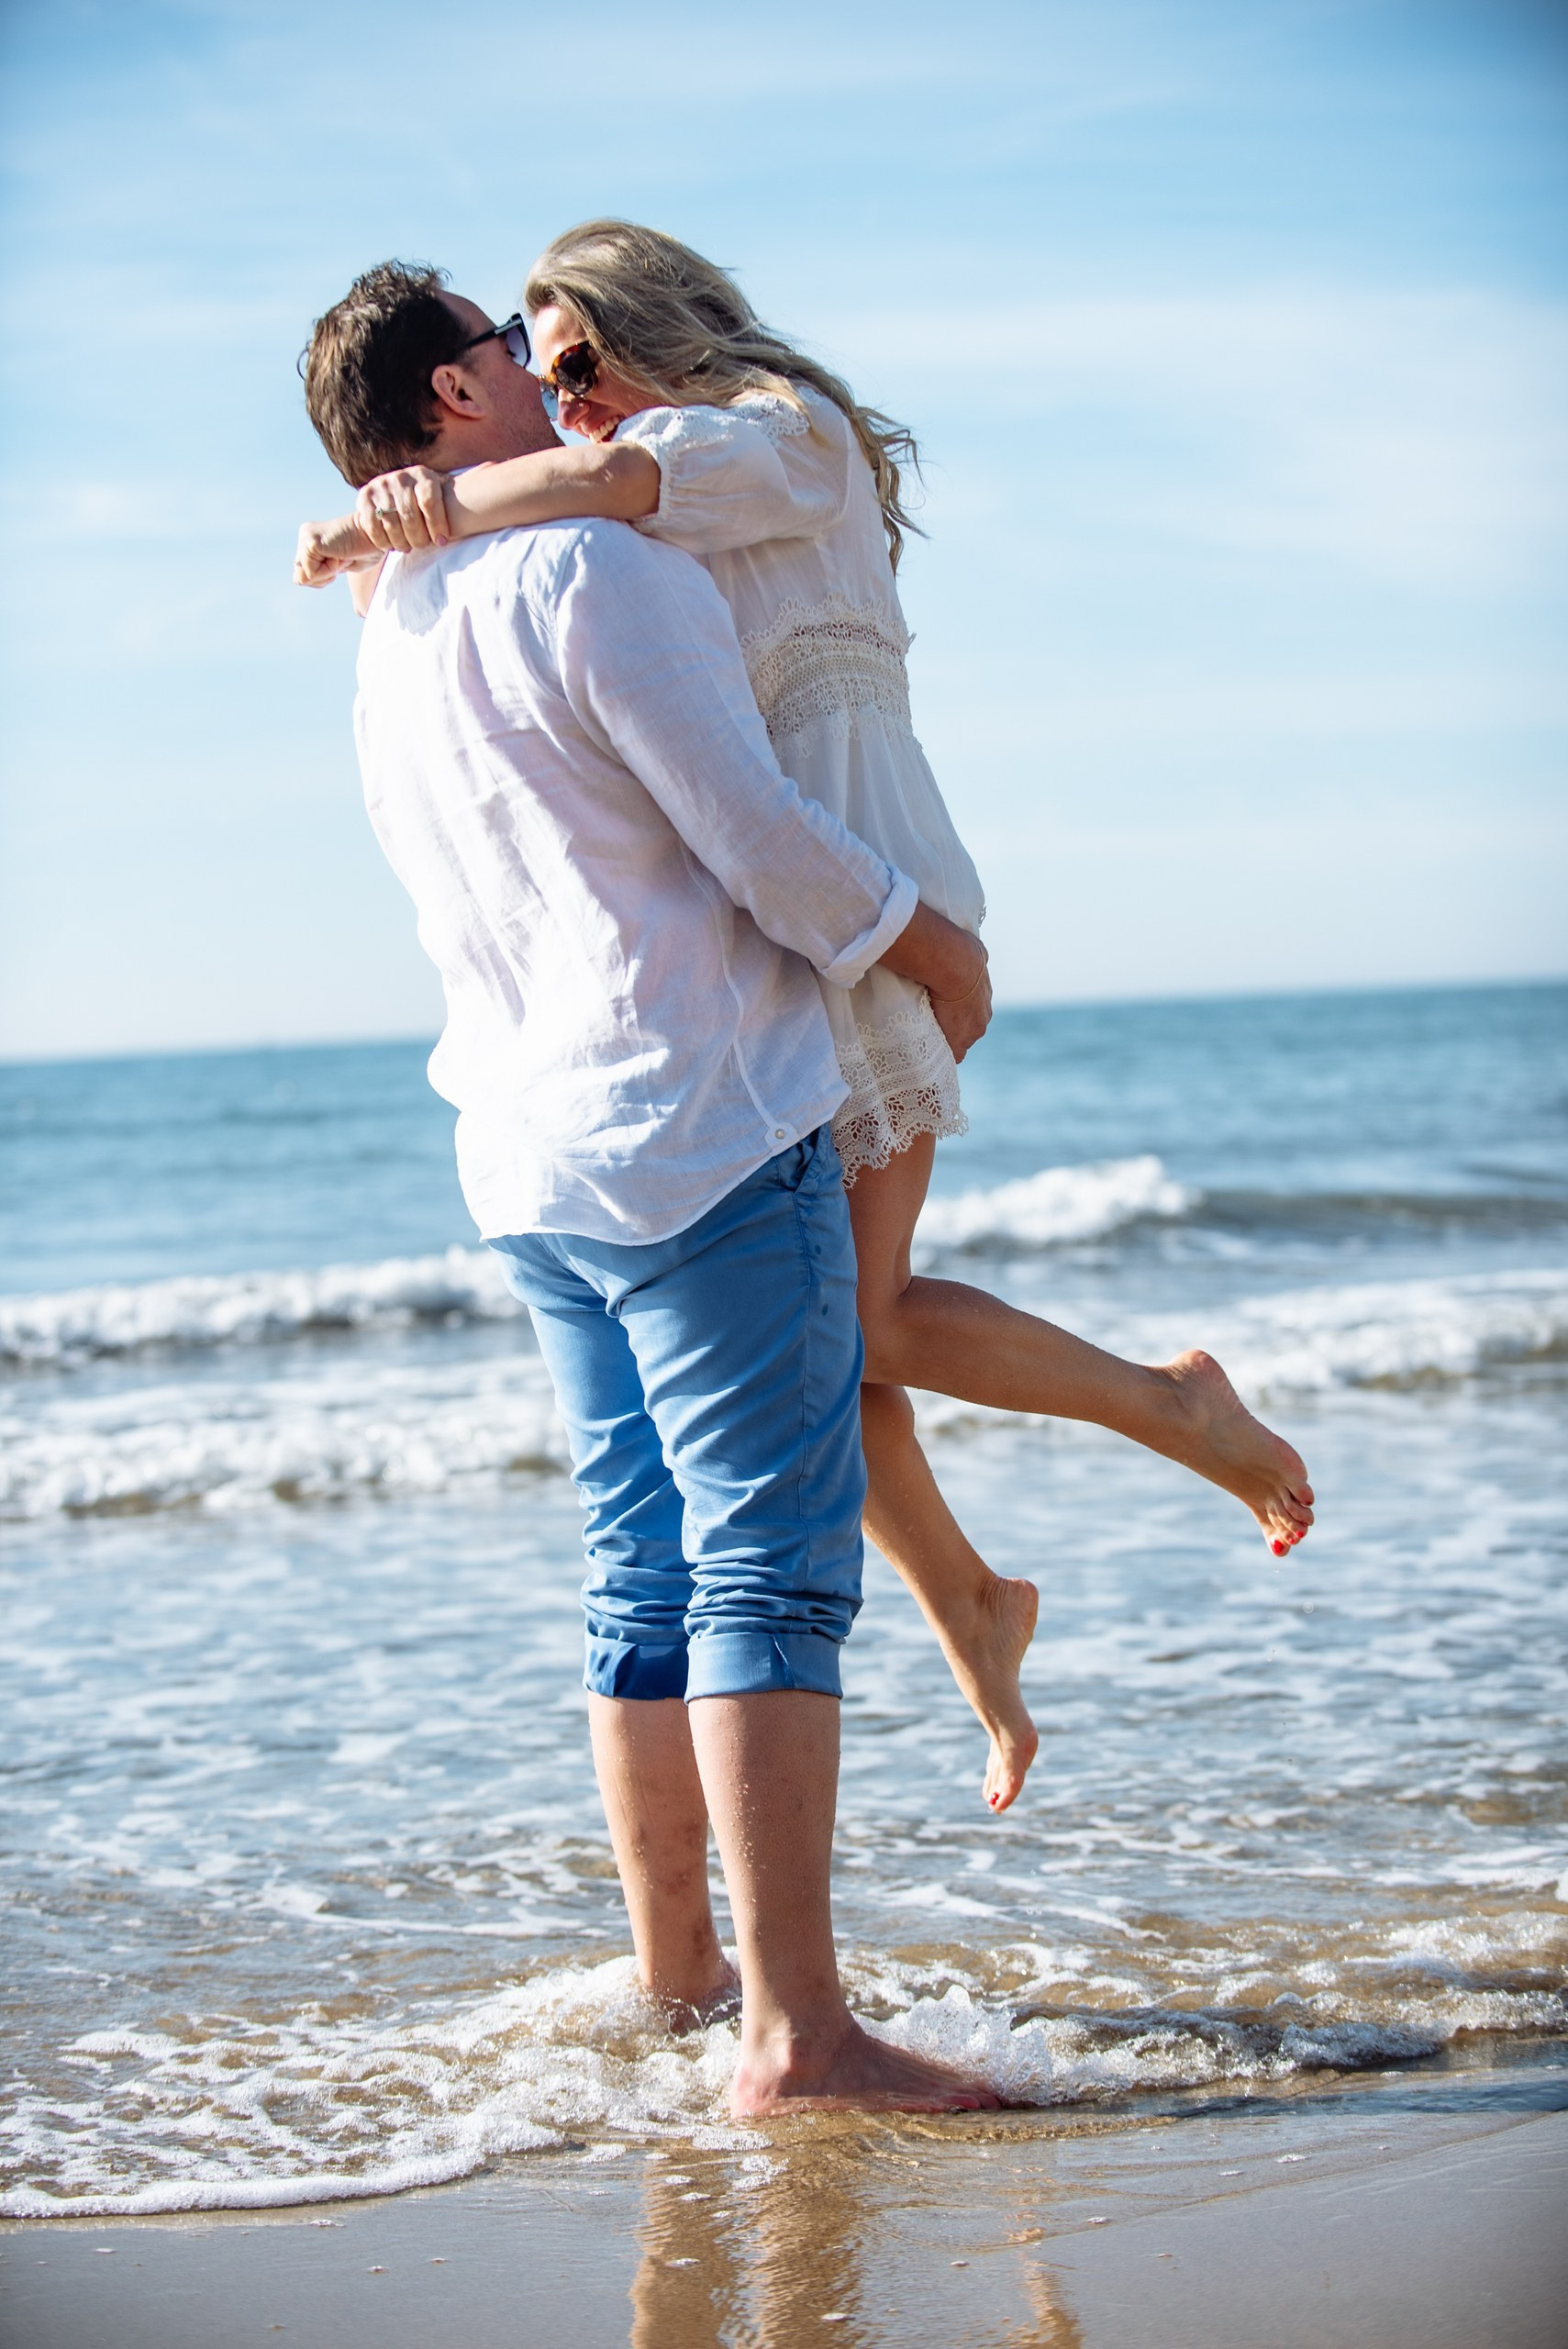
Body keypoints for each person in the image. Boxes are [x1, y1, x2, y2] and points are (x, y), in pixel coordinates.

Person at [298, 226, 1315, 1816]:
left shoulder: (769, 435)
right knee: (833, 1335)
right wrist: (409, 532)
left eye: (573, 362)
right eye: (537, 372)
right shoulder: (610, 484)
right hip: (795, 917)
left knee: (863, 1315)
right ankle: (975, 1605)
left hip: (869, 894)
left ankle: (1169, 1411)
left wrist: (398, 512)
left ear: (654, 328)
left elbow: (612, 499)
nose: (568, 407)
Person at [300, 261, 1004, 2116]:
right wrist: (927, 944)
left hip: (528, 1156)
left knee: (641, 1572)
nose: (547, 381)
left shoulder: (389, 616)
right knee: (770, 1570)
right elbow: (761, 836)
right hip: (695, 1119)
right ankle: (802, 2034)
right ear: (451, 401)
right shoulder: (598, 567)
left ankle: (685, 1985)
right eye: (502, 354)